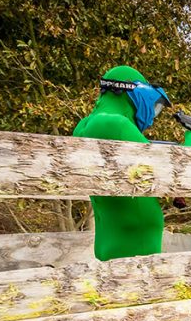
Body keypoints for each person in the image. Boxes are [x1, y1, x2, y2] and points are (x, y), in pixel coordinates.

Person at [73, 66, 173, 261]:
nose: (152, 117)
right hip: (134, 244)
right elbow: (166, 167)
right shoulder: (114, 124)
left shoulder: (85, 125)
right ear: (132, 94)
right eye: (155, 108)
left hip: (115, 235)